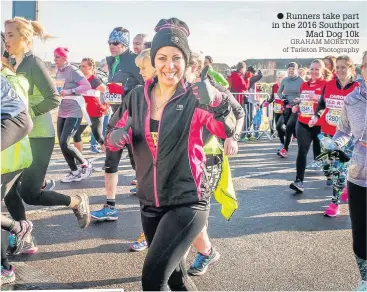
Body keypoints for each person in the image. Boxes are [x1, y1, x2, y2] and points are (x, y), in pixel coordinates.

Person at [105, 17, 236, 291]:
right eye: (162, 57)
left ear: (186, 62)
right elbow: (113, 134)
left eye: (177, 58)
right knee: (176, 279)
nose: (169, 65)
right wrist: (117, 138)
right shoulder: (136, 97)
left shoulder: (195, 97)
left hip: (187, 200)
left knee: (152, 281)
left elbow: (225, 129)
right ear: (153, 61)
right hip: (150, 201)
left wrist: (217, 100)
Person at [4, 18, 90, 253]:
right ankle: (26, 237)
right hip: (18, 135)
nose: (6, 39)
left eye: (11, 34)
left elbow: (53, 98)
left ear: (25, 37)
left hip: (39, 135)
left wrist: (23, 114)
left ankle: (76, 202)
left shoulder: (33, 63)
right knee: (9, 192)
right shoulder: (12, 63)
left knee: (29, 194)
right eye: (5, 34)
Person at [185, 50, 244, 276]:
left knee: (194, 212)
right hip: (183, 159)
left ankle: (206, 253)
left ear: (196, 68)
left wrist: (233, 137)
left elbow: (238, 113)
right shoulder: (177, 91)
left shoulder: (214, 89)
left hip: (208, 160)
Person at [91, 26, 144, 221]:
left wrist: (127, 91)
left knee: (138, 165)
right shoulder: (111, 61)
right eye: (110, 43)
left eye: (116, 43)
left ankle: (151, 211)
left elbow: (147, 85)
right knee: (110, 162)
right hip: (116, 119)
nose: (112, 47)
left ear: (125, 44)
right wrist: (111, 95)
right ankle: (110, 206)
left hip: (133, 121)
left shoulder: (134, 60)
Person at [327, 50, 366, 291]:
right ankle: (365, 278)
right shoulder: (352, 99)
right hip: (360, 174)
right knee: (361, 232)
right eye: (366, 65)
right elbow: (343, 130)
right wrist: (335, 143)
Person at [1, 33, 33, 284]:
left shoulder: (9, 78)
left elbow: (24, 119)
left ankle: (4, 268)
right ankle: (15, 227)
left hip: (12, 154)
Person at [309, 55, 359, 216]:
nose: (339, 70)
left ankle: (334, 203)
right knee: (328, 165)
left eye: (343, 67)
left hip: (347, 136)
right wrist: (316, 116)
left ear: (351, 68)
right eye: (337, 67)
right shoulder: (329, 85)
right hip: (327, 133)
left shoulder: (357, 88)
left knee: (339, 169)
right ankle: (344, 186)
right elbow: (322, 104)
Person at [289, 59, 332, 193]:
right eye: (312, 69)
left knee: (321, 153)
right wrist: (297, 107)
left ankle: (329, 174)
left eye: (317, 69)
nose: (314, 71)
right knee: (302, 151)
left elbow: (327, 104)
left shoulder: (327, 84)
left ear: (323, 70)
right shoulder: (304, 85)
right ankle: (299, 181)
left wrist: (316, 98)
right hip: (303, 122)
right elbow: (304, 102)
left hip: (319, 125)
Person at [129, 48, 155, 252]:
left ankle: (205, 251)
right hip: (146, 157)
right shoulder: (140, 93)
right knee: (146, 197)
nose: (140, 72)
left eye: (143, 67)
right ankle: (148, 234)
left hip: (174, 161)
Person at [54, 47, 93, 182]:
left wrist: (70, 91)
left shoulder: (73, 70)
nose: (55, 60)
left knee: (65, 142)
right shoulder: (58, 71)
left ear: (65, 58)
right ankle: (74, 171)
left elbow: (86, 86)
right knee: (62, 143)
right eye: (54, 57)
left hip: (74, 111)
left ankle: (85, 164)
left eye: (57, 57)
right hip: (62, 110)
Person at [76, 57, 108, 154]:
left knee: (98, 137)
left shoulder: (94, 80)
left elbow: (107, 91)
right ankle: (80, 160)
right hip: (82, 112)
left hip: (94, 112)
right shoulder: (80, 79)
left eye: (84, 66)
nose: (81, 68)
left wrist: (105, 106)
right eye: (80, 66)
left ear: (90, 67)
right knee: (76, 134)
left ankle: (111, 158)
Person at [277, 62, 304, 158]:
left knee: (289, 126)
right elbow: (279, 92)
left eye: (293, 69)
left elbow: (305, 94)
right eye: (289, 69)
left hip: (296, 107)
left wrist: (299, 101)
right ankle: (284, 143)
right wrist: (283, 98)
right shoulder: (284, 80)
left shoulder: (301, 81)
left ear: (296, 70)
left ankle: (285, 149)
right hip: (287, 107)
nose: (291, 71)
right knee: (279, 125)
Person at [264, 72, 285, 152]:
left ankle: (285, 142)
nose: (279, 79)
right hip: (276, 109)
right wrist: (268, 102)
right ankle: (282, 142)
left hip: (285, 110)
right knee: (278, 127)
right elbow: (273, 97)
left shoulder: (286, 87)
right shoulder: (274, 86)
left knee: (281, 126)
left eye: (281, 78)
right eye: (278, 78)